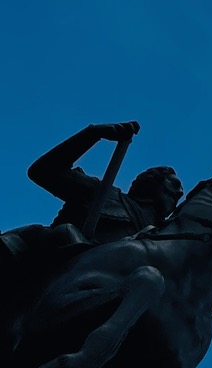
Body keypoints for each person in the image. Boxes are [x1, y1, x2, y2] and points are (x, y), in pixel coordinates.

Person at [1, 122, 182, 302]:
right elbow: (43, 171)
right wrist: (92, 134)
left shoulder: (160, 240)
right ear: (151, 183)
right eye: (174, 185)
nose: (180, 193)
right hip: (46, 271)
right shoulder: (104, 193)